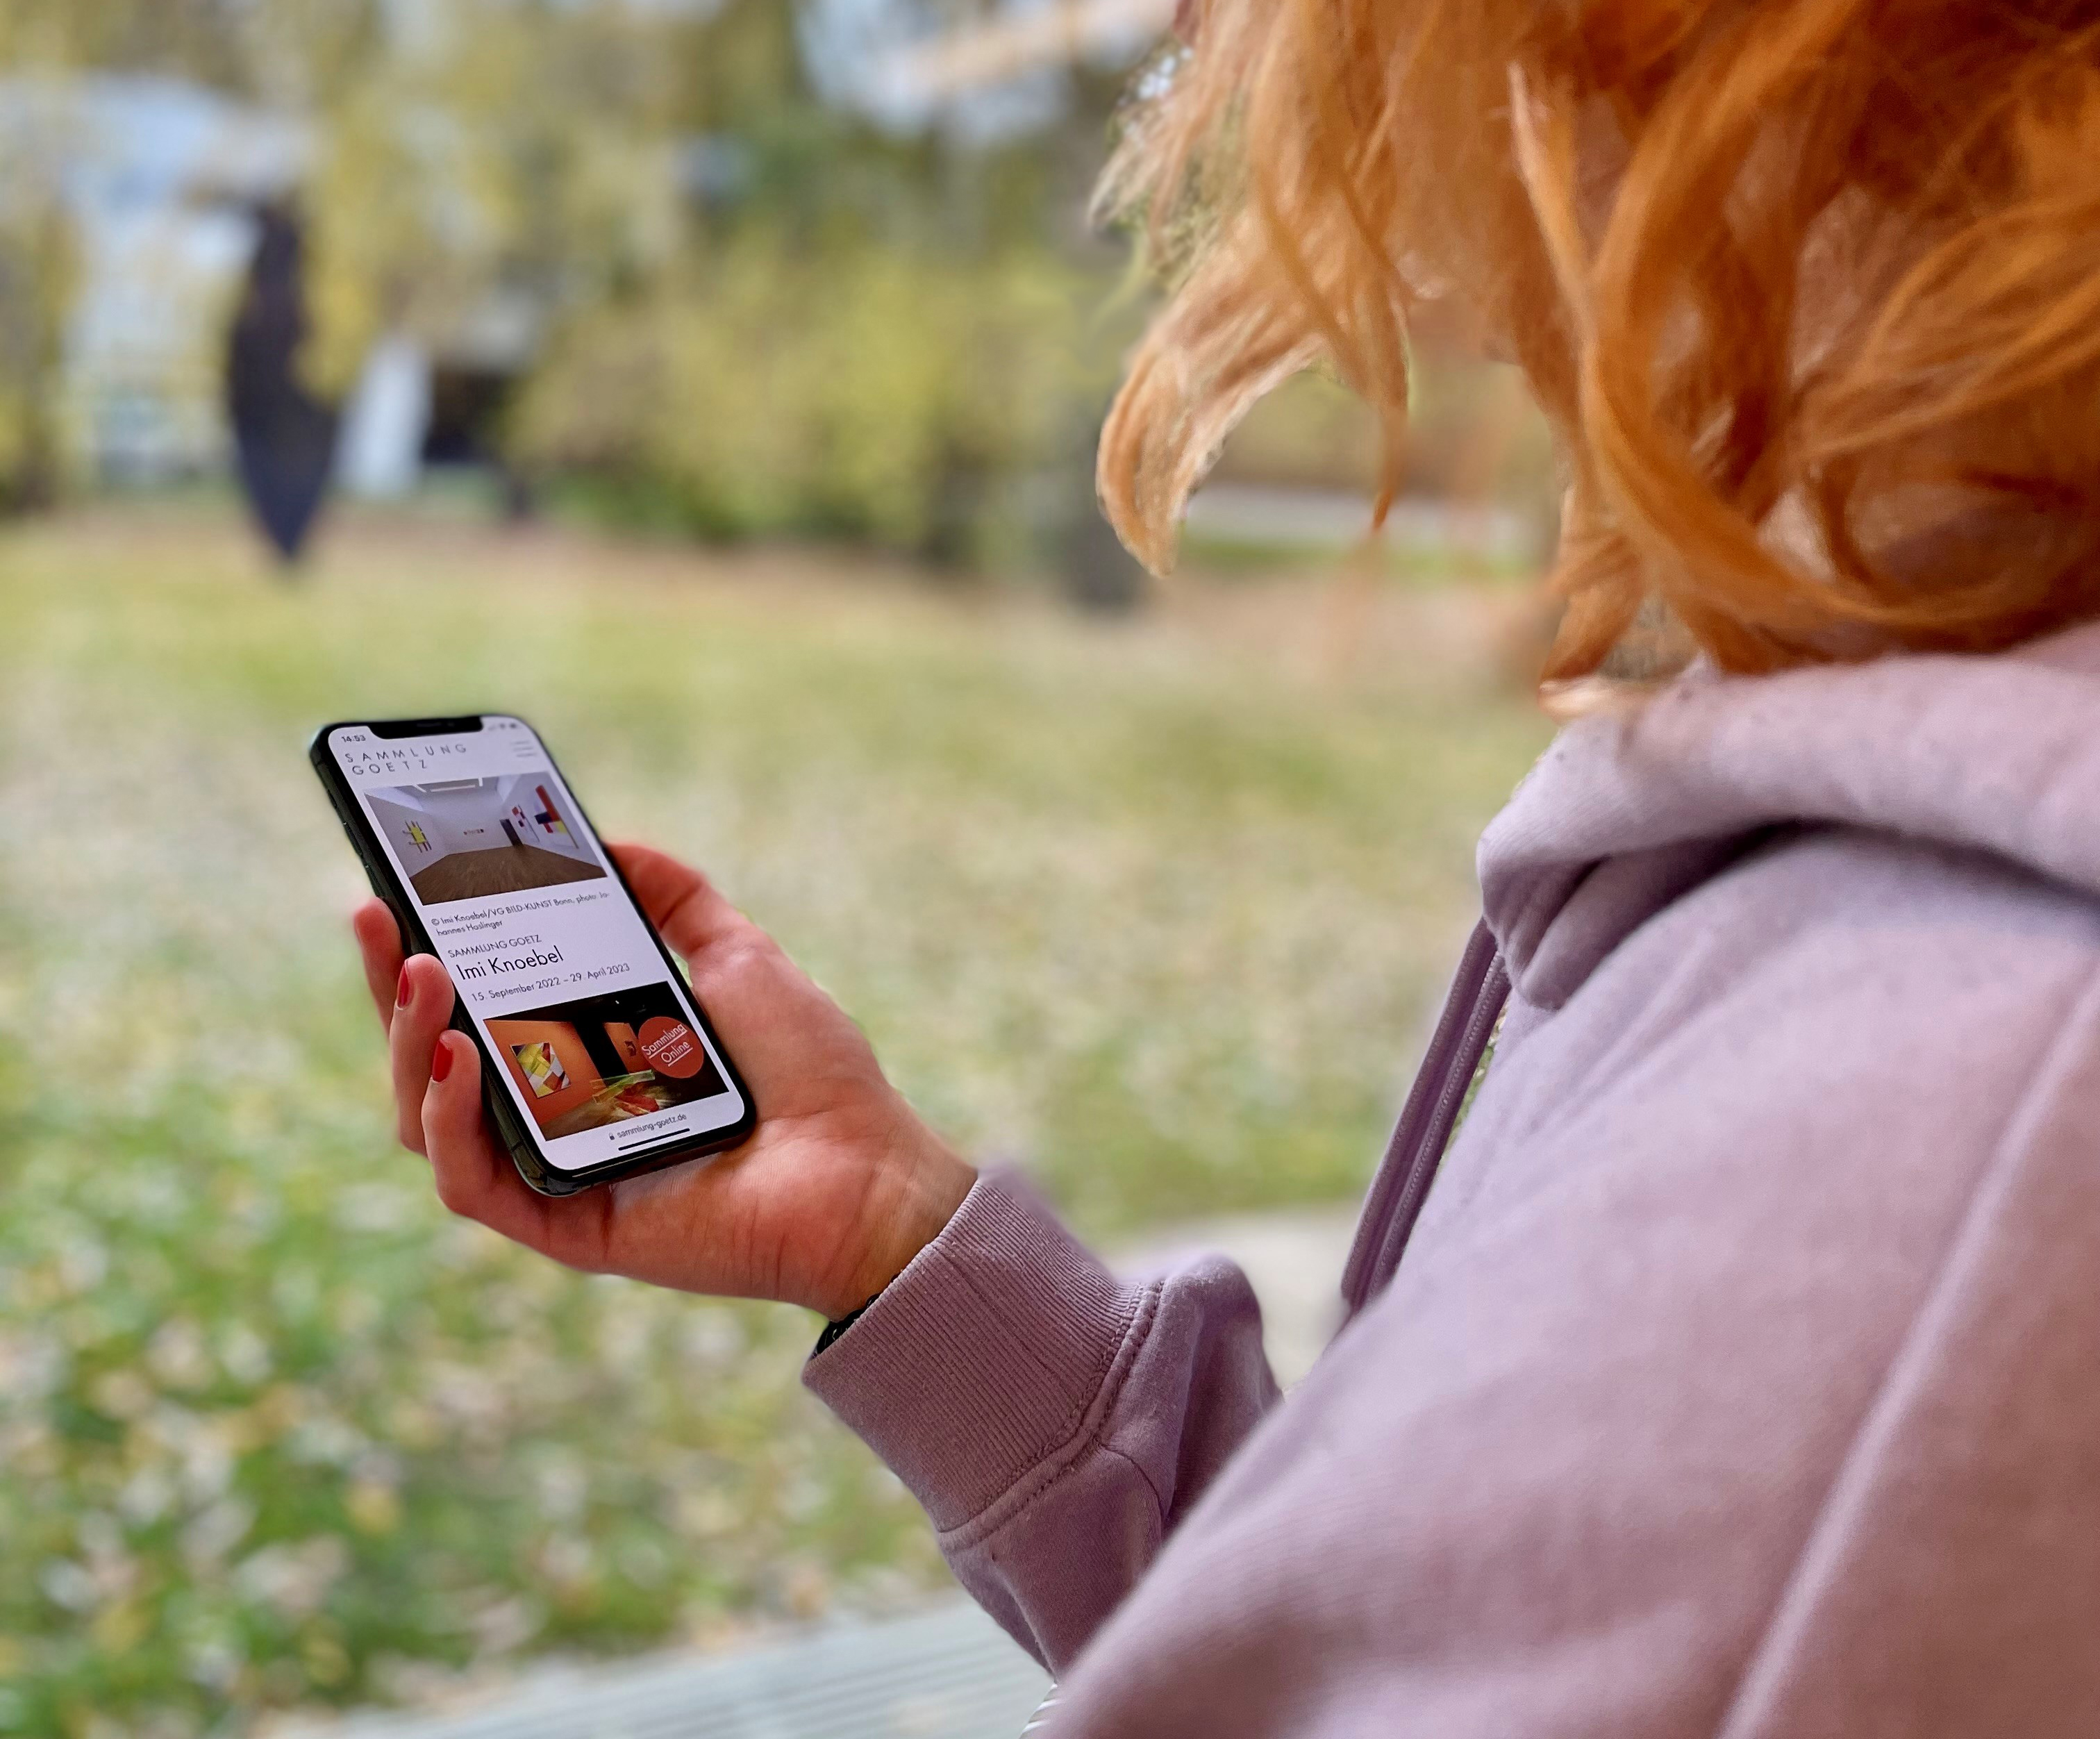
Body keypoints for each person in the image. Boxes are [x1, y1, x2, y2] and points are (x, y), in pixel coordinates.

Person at [355, 2, 2100, 1731]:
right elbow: (1414, 1621)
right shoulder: (1885, 836)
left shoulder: (1947, 1126)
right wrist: (896, 1239)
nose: (1233, 55)